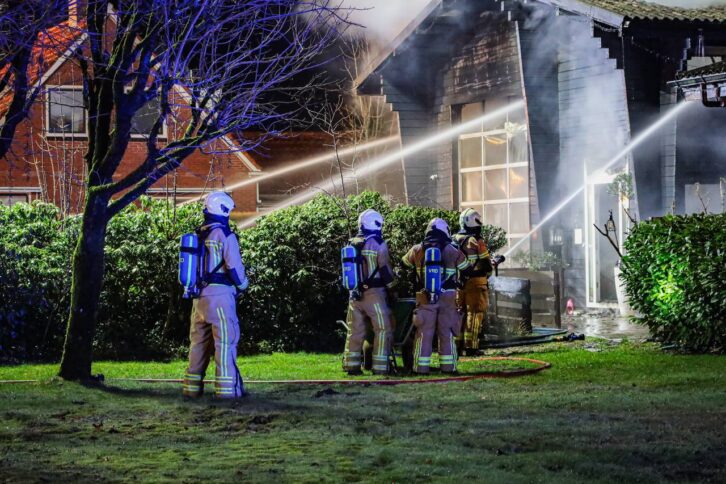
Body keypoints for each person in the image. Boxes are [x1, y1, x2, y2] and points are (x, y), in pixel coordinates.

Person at [182, 192, 248, 399]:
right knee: (225, 342)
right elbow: (234, 269)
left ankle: (191, 388)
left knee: (198, 344)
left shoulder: (199, 234)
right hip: (220, 298)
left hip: (198, 299)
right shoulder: (224, 235)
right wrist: (244, 285)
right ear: (224, 209)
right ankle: (228, 391)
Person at [402, 218, 469, 374]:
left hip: (424, 297)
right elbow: (467, 268)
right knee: (446, 333)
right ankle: (448, 368)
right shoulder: (452, 250)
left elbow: (403, 264)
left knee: (423, 333)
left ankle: (420, 368)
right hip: (448, 297)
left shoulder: (417, 249)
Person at [342, 209, 396, 375]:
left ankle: (351, 366)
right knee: (383, 329)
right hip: (374, 295)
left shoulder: (351, 243)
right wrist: (393, 287)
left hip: (354, 295)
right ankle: (380, 367)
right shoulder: (378, 244)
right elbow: (385, 270)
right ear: (376, 224)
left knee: (355, 331)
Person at [453, 208, 493, 355]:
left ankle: (455, 347)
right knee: (475, 313)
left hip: (458, 283)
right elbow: (486, 264)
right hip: (476, 283)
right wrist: (492, 266)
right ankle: (471, 347)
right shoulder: (476, 241)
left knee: (459, 313)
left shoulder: (453, 239)